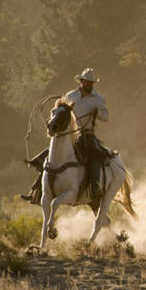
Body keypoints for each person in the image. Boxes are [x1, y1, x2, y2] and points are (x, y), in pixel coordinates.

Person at [21, 68, 110, 203]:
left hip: (87, 135)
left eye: (91, 83)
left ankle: (94, 187)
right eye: (87, 82)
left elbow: (106, 117)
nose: (89, 85)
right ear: (81, 81)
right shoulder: (71, 95)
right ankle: (36, 190)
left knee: (95, 155)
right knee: (52, 156)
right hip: (68, 134)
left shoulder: (98, 99)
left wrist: (97, 113)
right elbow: (61, 110)